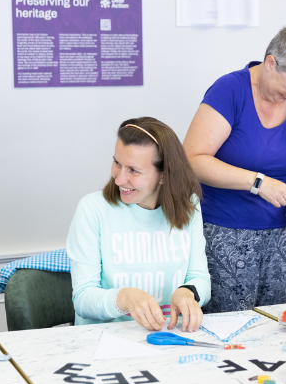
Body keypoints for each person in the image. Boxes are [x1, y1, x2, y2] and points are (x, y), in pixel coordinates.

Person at [183, 25, 286, 313]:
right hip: (226, 234)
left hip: (283, 235)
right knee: (230, 326)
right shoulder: (230, 91)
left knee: (278, 323)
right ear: (270, 63)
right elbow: (192, 158)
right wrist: (258, 182)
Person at [68, 117, 211, 332]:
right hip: (103, 341)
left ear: (164, 175)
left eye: (133, 170)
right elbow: (83, 298)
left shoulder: (189, 205)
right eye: (117, 163)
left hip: (170, 337)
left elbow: (199, 277)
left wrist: (188, 291)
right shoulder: (92, 209)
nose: (119, 179)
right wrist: (123, 298)